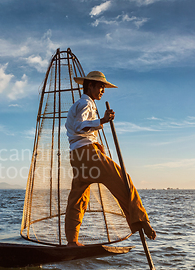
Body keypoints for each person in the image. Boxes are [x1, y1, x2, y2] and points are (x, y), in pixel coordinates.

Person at [64, 71, 156, 247]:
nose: (103, 90)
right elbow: (78, 126)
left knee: (78, 198)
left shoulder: (80, 104)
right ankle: (141, 220)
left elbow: (74, 126)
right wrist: (103, 120)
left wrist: (99, 121)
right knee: (123, 180)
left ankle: (72, 240)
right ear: (89, 86)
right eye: (100, 86)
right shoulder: (85, 103)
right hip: (88, 154)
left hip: (76, 156)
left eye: (104, 87)